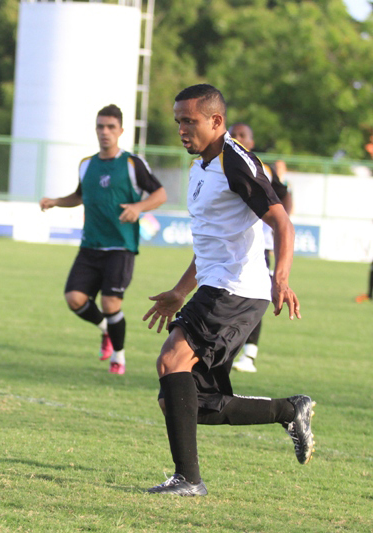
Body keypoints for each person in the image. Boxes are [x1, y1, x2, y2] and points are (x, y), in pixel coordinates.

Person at [142, 84, 314, 496]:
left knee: (171, 361)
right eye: (178, 121)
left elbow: (282, 222)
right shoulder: (199, 167)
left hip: (235, 290)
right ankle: (289, 411)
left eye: (191, 121)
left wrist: (282, 276)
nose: (182, 129)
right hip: (215, 286)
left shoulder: (235, 161)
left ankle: (189, 481)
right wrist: (181, 290)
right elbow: (210, 244)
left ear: (216, 121)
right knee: (181, 403)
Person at [40, 104, 167, 374]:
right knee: (74, 298)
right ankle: (106, 331)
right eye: (100, 126)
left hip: (121, 247)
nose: (105, 132)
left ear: (121, 131)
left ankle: (118, 357)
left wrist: (138, 208)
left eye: (111, 127)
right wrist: (56, 201)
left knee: (111, 304)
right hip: (90, 245)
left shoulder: (132, 163)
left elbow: (160, 194)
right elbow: (79, 196)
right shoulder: (87, 165)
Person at [228, 123, 293, 373]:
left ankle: (249, 356)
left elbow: (283, 194)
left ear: (252, 142)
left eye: (243, 135)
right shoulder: (222, 164)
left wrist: (280, 223)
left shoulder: (260, 167)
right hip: (232, 245)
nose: (238, 138)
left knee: (254, 295)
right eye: (234, 134)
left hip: (258, 246)